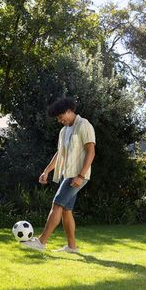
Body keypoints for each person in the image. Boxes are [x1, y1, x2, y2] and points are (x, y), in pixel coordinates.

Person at [21, 97, 96, 252]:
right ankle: (72, 247)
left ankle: (41, 242)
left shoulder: (84, 125)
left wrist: (80, 176)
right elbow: (59, 154)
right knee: (66, 210)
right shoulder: (64, 130)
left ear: (69, 111)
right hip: (66, 174)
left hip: (77, 175)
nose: (59, 120)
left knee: (57, 204)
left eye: (60, 116)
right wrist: (46, 171)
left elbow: (91, 152)